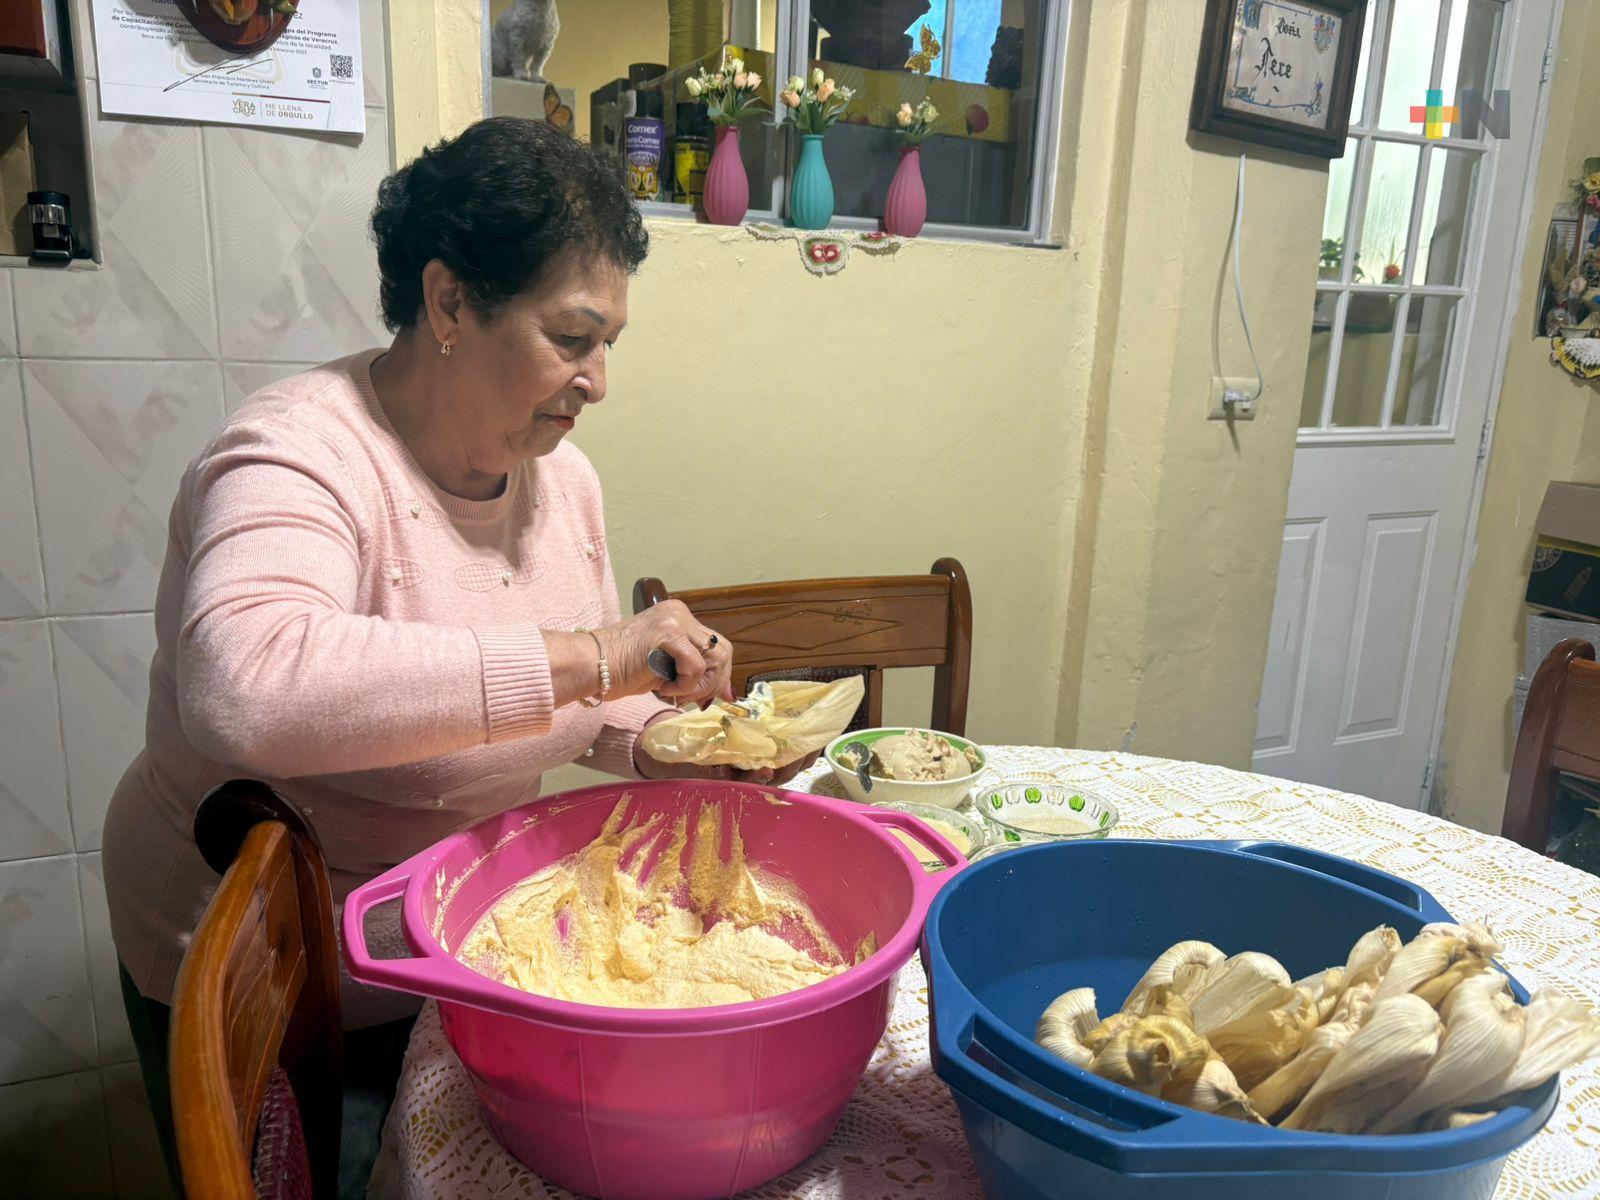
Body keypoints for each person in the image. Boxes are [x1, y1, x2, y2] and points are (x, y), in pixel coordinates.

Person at [101, 117, 808, 1194]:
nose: (598, 380)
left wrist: (661, 740)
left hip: (453, 950)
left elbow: (564, 698)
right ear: (447, 303)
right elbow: (246, 687)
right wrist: (596, 653)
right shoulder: (298, 451)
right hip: (274, 962)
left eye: (610, 341)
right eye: (573, 338)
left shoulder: (563, 481)